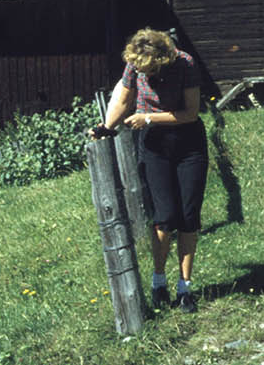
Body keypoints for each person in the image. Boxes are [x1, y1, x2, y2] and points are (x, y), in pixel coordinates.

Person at [90, 28, 208, 313]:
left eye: (150, 69)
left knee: (188, 217)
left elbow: (190, 113)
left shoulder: (185, 63)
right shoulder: (134, 66)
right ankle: (158, 282)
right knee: (165, 217)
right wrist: (107, 128)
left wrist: (149, 118)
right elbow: (123, 99)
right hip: (156, 147)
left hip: (188, 144)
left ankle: (185, 288)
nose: (146, 74)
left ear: (162, 59)